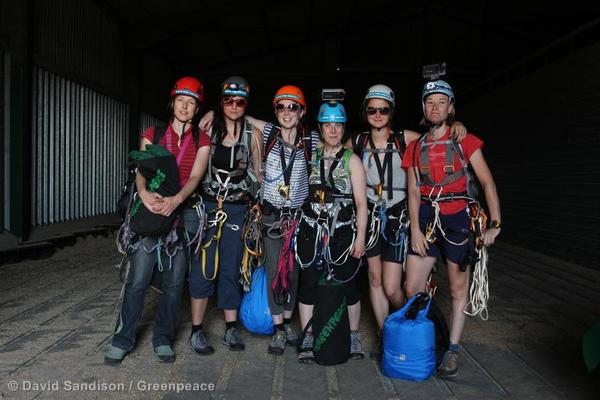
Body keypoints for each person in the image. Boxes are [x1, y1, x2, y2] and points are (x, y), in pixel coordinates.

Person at [352, 84, 466, 358]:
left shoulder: (407, 139)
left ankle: (409, 321)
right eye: (372, 109)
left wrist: (457, 124)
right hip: (371, 217)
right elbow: (326, 144)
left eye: (383, 109)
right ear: (365, 112)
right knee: (374, 277)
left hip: (397, 215)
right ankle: (386, 334)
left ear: (391, 112)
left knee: (393, 287)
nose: (377, 114)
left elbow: (439, 135)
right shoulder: (357, 142)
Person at [105, 76, 211, 365]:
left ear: (197, 107)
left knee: (175, 281)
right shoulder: (153, 133)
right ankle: (122, 339)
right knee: (138, 277)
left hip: (184, 210)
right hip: (151, 205)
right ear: (172, 102)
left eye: (191, 103)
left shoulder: (202, 139)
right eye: (181, 100)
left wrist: (176, 200)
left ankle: (163, 338)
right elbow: (141, 169)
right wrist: (144, 193)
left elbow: (195, 176)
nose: (185, 106)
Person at [402, 79, 501, 378]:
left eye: (441, 102)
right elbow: (414, 191)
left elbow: (486, 182)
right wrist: (416, 231)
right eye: (430, 102)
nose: (435, 107)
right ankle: (433, 336)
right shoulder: (415, 147)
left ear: (451, 107)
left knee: (458, 290)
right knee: (411, 288)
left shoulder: (465, 140)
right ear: (423, 107)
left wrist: (494, 223)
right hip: (426, 220)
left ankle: (452, 351)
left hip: (458, 218)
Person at [242, 85, 320, 355]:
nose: (287, 112)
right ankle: (277, 329)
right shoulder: (270, 134)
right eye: (281, 107)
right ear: (275, 110)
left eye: (293, 107)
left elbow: (341, 142)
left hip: (298, 218)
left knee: (294, 273)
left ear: (302, 110)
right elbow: (242, 115)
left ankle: (287, 323)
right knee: (276, 270)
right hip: (272, 217)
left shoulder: (311, 140)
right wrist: (210, 113)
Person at [188, 76, 262, 354]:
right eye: (228, 100)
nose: (233, 105)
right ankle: (196, 330)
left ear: (246, 104)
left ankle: (231, 329)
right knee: (203, 267)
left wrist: (260, 203)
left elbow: (258, 173)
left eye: (239, 101)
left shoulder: (251, 134)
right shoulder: (207, 129)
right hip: (208, 206)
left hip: (237, 207)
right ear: (220, 102)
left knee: (231, 268)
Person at [295, 102, 368, 362]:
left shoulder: (353, 161)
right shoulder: (310, 156)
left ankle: (354, 334)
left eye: (338, 125)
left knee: (348, 283)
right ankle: (309, 335)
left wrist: (360, 237)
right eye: (328, 125)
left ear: (343, 128)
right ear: (321, 128)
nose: (333, 130)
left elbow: (362, 203)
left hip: (343, 231)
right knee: (308, 284)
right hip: (312, 229)